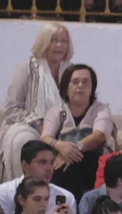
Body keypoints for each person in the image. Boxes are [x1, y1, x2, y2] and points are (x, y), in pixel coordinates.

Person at [0, 26, 74, 181]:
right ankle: (24, 190)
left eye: (64, 41)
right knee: (23, 141)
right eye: (54, 40)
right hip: (28, 125)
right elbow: (11, 109)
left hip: (62, 126)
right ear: (44, 42)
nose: (59, 45)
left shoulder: (71, 71)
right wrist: (38, 122)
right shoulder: (27, 68)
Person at [41, 64, 114, 199]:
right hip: (63, 163)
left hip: (93, 163)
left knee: (76, 162)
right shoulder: (56, 111)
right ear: (66, 88)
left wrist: (74, 149)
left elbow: (99, 135)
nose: (80, 86)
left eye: (85, 82)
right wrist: (60, 146)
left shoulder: (101, 110)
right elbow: (45, 137)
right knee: (62, 167)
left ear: (92, 89)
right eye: (75, 82)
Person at [0, 142, 79, 214]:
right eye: (42, 162)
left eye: (51, 162)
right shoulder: (4, 193)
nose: (49, 168)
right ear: (25, 165)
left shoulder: (67, 197)